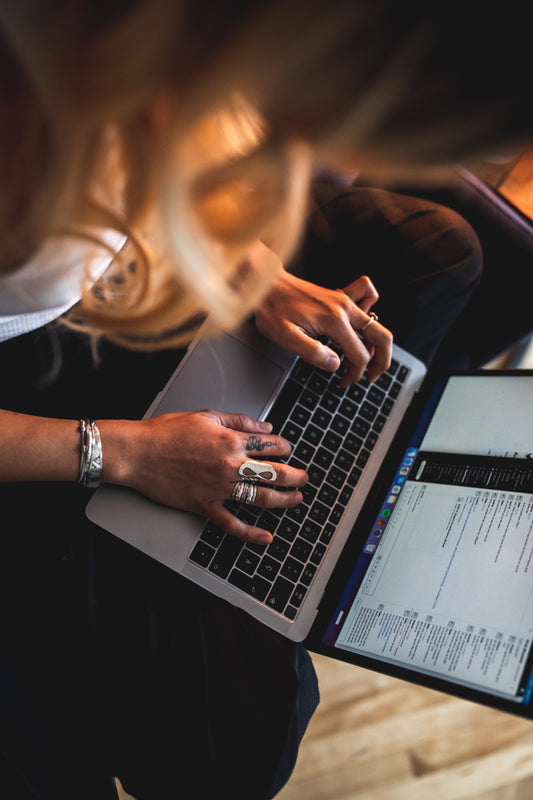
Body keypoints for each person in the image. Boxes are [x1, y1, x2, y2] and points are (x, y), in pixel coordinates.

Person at [1, 1, 532, 798]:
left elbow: (153, 174)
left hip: (91, 293)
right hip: (35, 411)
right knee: (236, 754)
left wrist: (257, 277)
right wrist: (126, 452)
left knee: (443, 253)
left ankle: (319, 499)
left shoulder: (156, 67)